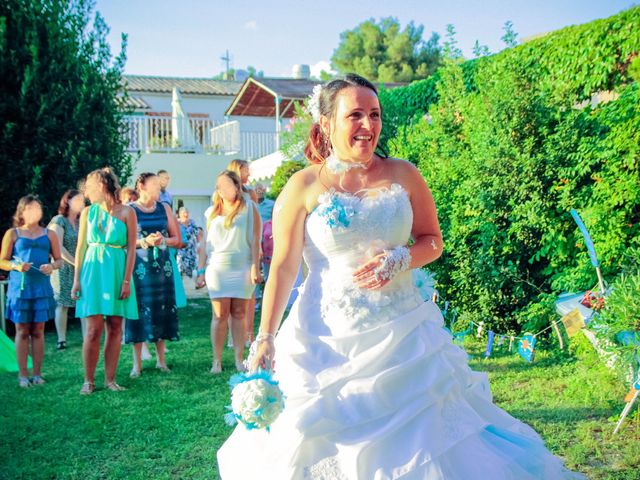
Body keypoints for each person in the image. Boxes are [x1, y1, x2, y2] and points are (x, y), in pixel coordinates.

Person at [217, 74, 586, 479]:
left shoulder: (403, 173)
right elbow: (285, 267)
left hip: (405, 334)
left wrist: (401, 259)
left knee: (428, 439)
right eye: (354, 114)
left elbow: (432, 241)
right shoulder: (303, 184)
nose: (368, 125)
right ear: (326, 124)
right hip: (325, 339)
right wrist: (267, 335)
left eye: (374, 115)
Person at [73, 168, 138, 394]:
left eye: (89, 188)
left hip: (118, 270)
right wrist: (76, 281)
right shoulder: (87, 213)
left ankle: (110, 380)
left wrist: (127, 280)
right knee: (93, 328)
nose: (87, 193)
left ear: (101, 186)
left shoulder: (127, 212)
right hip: (93, 270)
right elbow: (80, 247)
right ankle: (88, 380)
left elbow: (131, 249)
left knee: (116, 326)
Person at [197, 170, 261, 374]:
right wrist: (200, 270)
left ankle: (239, 358)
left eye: (226, 185)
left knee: (240, 313)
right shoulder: (211, 212)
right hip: (217, 269)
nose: (222, 189)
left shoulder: (249, 208)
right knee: (219, 314)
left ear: (236, 186)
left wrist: (255, 266)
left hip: (242, 266)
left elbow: (256, 239)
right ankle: (216, 361)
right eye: (219, 186)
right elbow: (204, 245)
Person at [0, 195, 61, 387]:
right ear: (22, 212)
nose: (35, 211)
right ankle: (23, 376)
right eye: (30, 208)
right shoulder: (13, 233)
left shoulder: (49, 234)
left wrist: (51, 267)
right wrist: (16, 266)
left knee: (38, 331)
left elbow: (58, 260)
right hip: (20, 289)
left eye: (37, 208)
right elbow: (2, 261)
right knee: (22, 331)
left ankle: (37, 374)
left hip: (41, 288)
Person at [125, 172, 180, 377]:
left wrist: (162, 240)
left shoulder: (164, 208)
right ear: (142, 186)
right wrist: (144, 242)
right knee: (138, 310)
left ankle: (161, 361)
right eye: (154, 184)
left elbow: (177, 238)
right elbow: (124, 242)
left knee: (162, 308)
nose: (159, 187)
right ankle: (136, 364)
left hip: (162, 267)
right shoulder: (129, 210)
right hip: (139, 267)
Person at [48, 189, 85, 349]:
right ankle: (61, 340)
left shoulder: (80, 222)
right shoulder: (59, 220)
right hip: (63, 268)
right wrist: (75, 262)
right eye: (78, 200)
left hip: (80, 267)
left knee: (83, 301)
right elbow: (58, 247)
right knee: (62, 303)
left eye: (82, 201)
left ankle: (86, 336)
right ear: (68, 201)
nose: (81, 203)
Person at [227, 159, 259, 345]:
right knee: (231, 294)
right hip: (232, 248)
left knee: (249, 294)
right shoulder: (224, 193)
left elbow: (255, 223)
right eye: (246, 170)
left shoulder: (251, 193)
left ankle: (249, 334)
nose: (249, 174)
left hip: (249, 247)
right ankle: (233, 335)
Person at [176, 206, 203, 281]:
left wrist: (199, 245)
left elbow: (197, 233)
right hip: (181, 250)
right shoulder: (177, 223)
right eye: (184, 213)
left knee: (193, 269)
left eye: (187, 212)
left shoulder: (192, 222)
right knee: (180, 268)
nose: (186, 214)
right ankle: (181, 286)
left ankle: (193, 284)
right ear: (180, 214)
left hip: (191, 250)